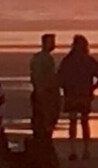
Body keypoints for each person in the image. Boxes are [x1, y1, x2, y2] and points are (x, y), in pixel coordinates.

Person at [57, 35, 98, 160]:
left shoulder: (67, 60)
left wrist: (63, 88)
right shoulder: (87, 60)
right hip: (84, 94)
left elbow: (60, 77)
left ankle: (74, 149)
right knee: (84, 121)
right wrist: (96, 86)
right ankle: (85, 150)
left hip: (72, 94)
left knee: (73, 121)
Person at [27, 34, 60, 167]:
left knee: (40, 125)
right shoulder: (45, 59)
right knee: (46, 125)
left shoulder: (38, 58)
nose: (54, 44)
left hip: (40, 94)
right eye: (51, 42)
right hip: (45, 95)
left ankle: (43, 151)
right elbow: (45, 78)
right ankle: (44, 153)